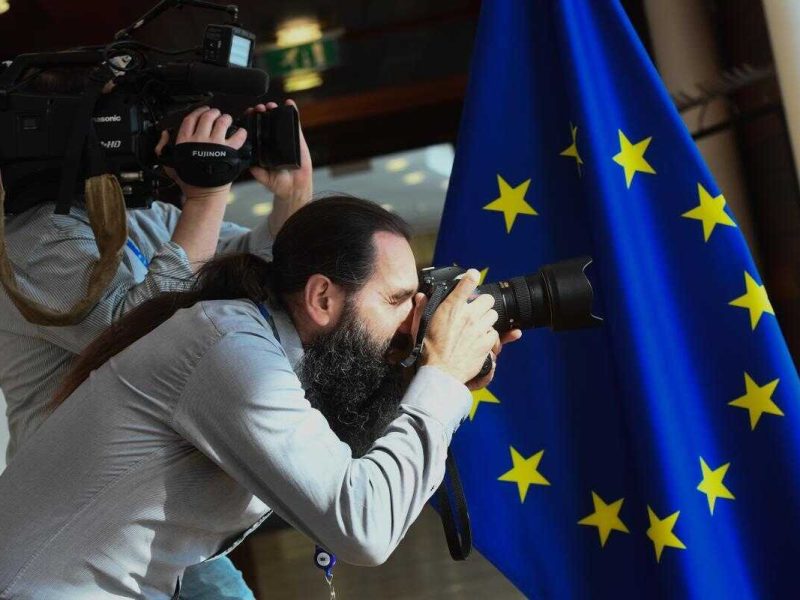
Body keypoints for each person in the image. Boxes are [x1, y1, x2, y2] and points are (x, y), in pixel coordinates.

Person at [0, 196, 521, 598]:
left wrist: (431, 376)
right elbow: (363, 524)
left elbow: (347, 451)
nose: (410, 320)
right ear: (321, 298)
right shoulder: (231, 353)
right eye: (395, 301)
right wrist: (442, 379)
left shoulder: (268, 349)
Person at [0, 74, 313, 599]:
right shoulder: (32, 240)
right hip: (72, 539)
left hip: (150, 520)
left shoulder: (139, 219)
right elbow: (144, 334)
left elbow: (263, 268)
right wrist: (206, 194)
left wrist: (293, 192)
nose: (155, 142)